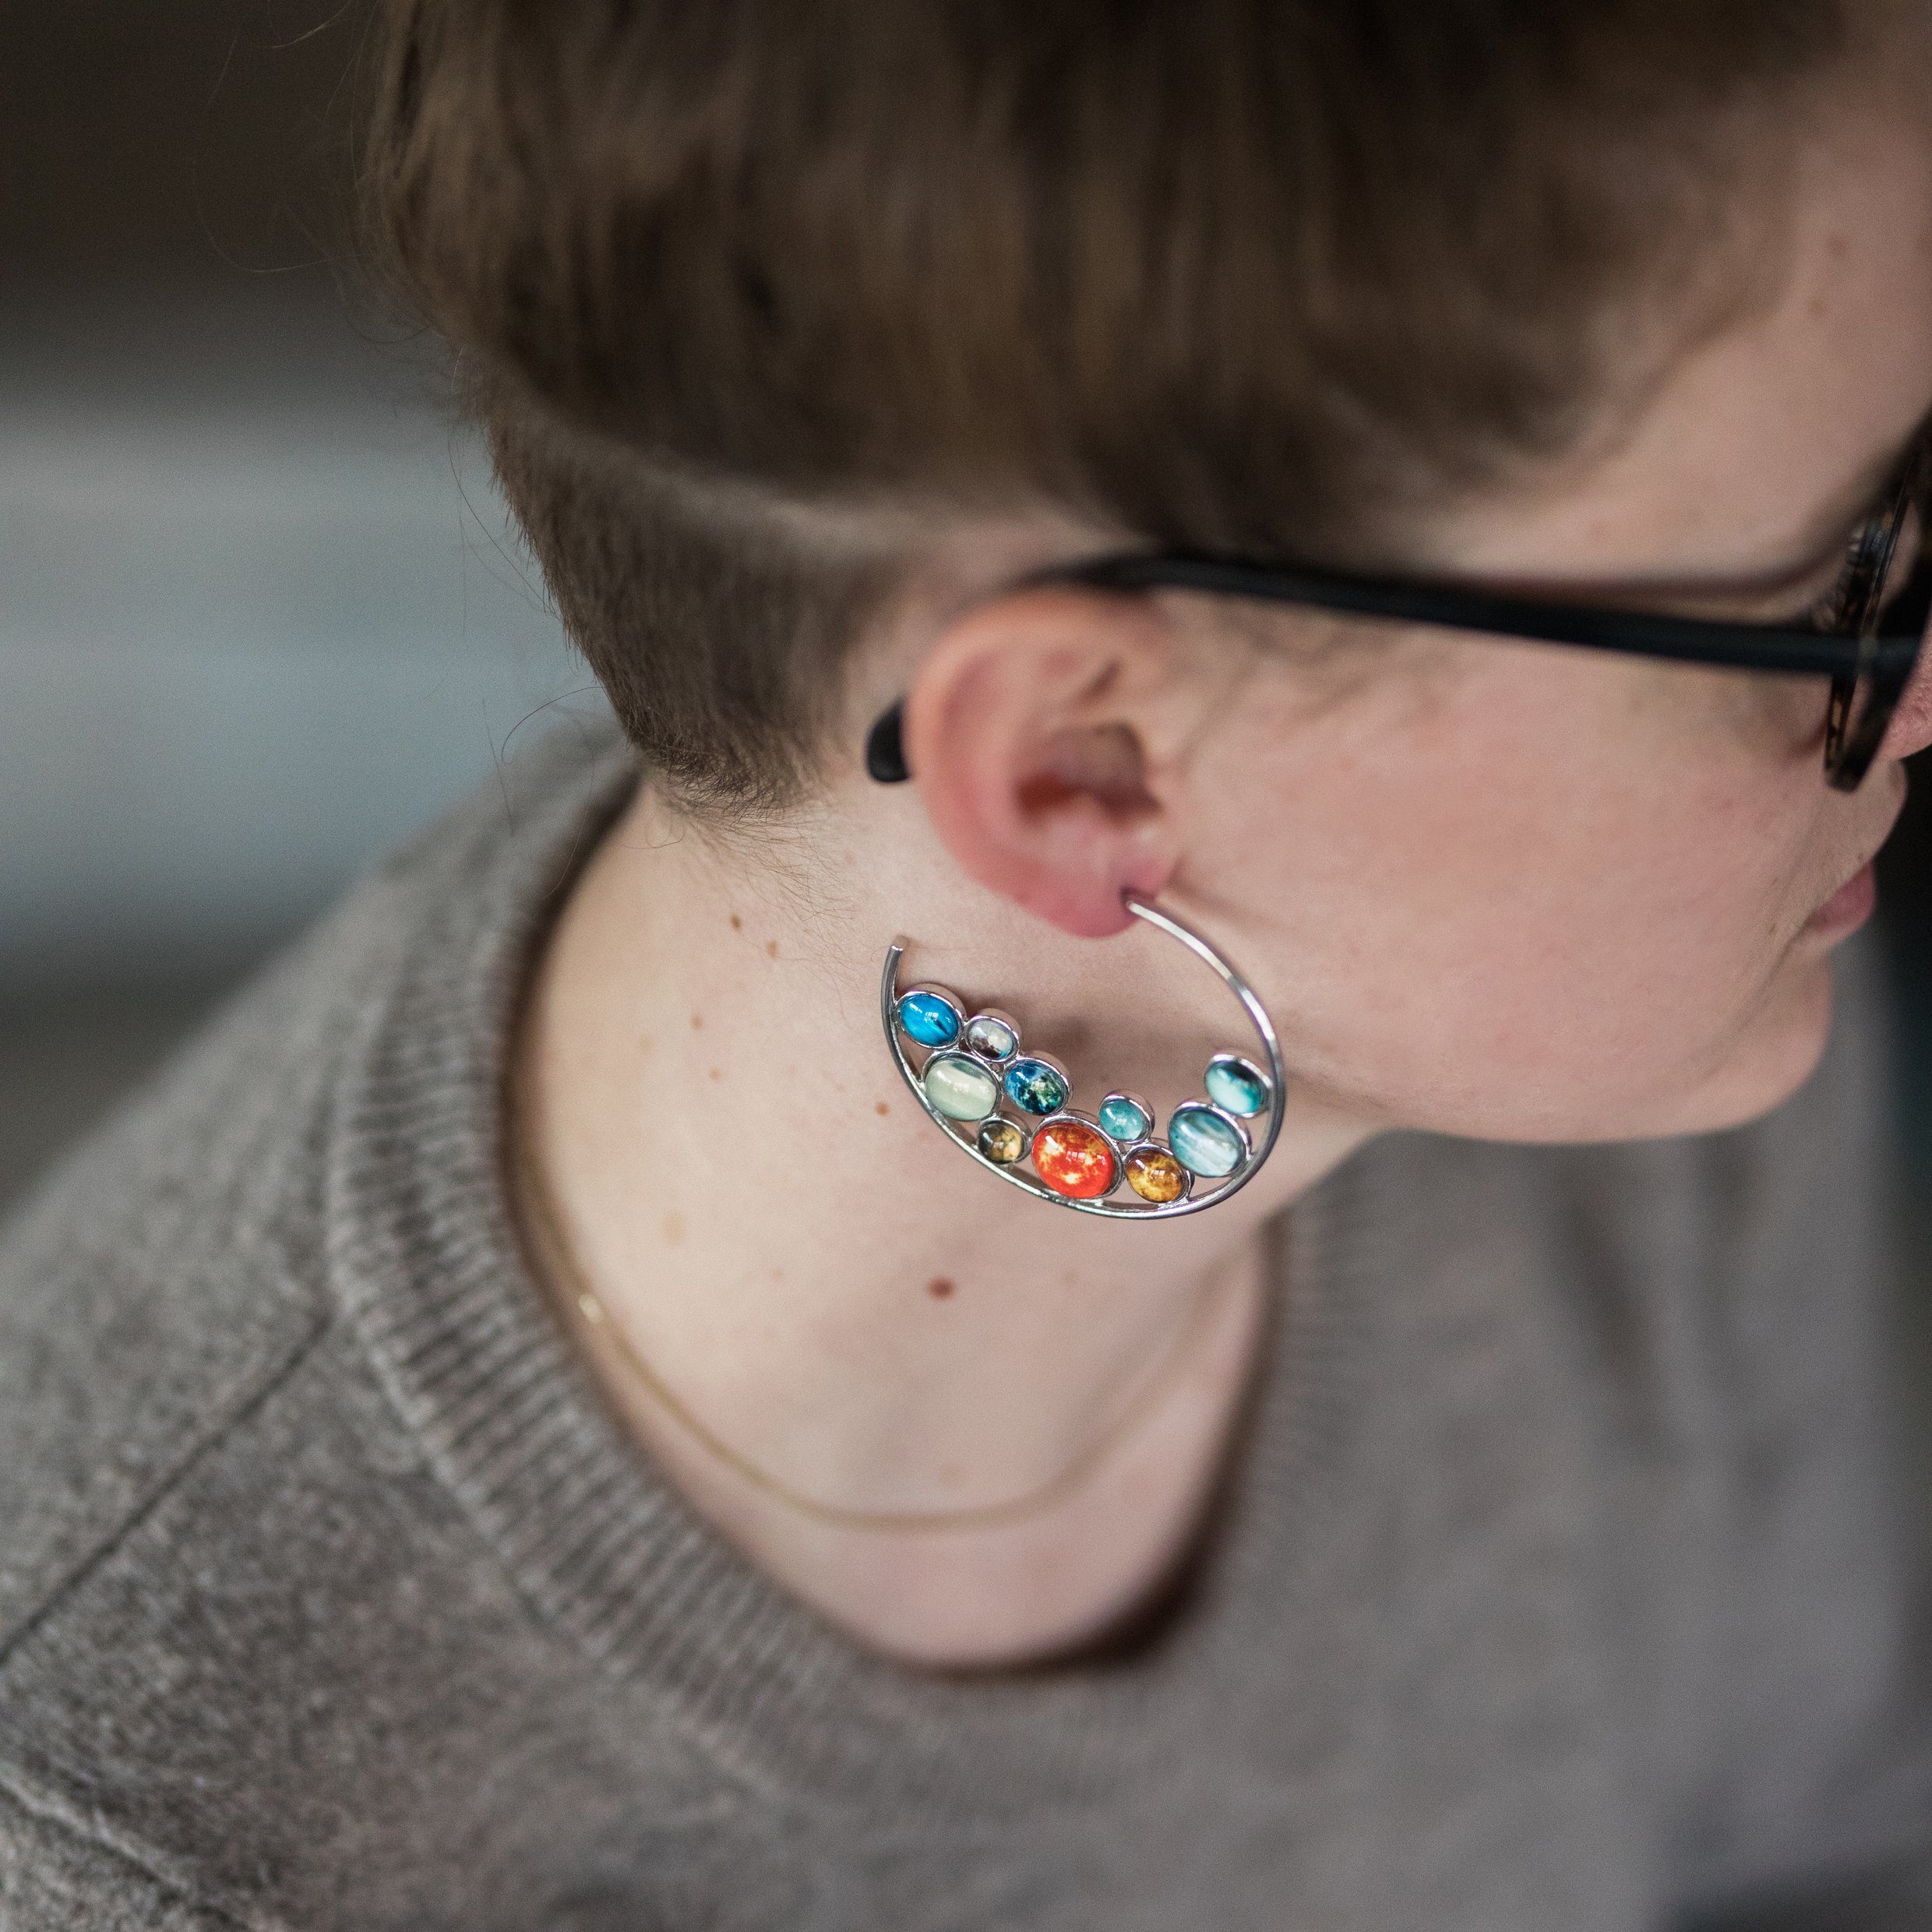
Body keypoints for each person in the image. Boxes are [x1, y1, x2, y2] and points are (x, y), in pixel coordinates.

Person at [3, 1, 1931, 1924]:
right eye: (1848, 589)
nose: (1913, 689)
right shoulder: (162, 1848)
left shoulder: (1671, 1050)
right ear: (1086, 767)